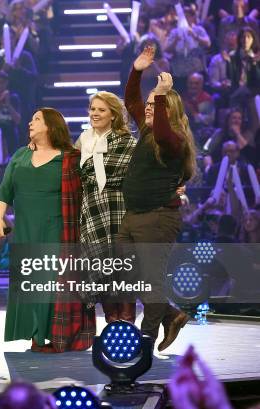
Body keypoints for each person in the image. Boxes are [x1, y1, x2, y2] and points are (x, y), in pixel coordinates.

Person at [0, 108, 95, 352]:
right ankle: (36, 335)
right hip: (25, 228)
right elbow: (5, 190)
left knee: (50, 282)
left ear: (50, 126)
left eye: (36, 119)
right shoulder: (20, 156)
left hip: (57, 228)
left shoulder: (71, 157)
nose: (30, 122)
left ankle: (52, 335)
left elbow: (91, 186)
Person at [121, 46, 197, 352]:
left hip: (158, 217)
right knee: (126, 273)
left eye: (155, 105)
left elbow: (165, 133)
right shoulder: (149, 129)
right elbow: (131, 101)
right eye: (150, 105)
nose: (148, 108)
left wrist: (162, 94)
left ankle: (145, 341)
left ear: (169, 110)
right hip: (134, 216)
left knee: (150, 281)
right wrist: (137, 71)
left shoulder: (172, 139)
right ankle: (170, 313)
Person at [74, 92, 137, 323]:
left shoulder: (127, 142)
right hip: (92, 210)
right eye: (92, 109)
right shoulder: (83, 140)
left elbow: (135, 175)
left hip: (119, 209)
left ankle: (128, 322)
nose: (95, 113)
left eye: (101, 109)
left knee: (123, 269)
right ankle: (112, 322)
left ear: (113, 114)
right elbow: (70, 166)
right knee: (100, 269)